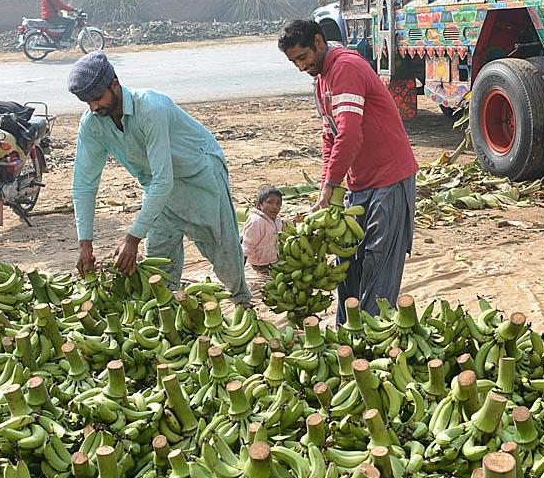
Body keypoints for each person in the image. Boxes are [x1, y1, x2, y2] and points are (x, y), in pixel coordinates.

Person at [68, 51, 252, 305]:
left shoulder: (150, 107)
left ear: (115, 84)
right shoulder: (92, 123)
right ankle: (168, 311)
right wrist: (84, 243)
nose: (93, 107)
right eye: (87, 102)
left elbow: (164, 179)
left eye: (97, 98)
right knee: (158, 257)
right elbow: (84, 184)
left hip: (199, 175)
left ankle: (242, 300)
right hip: (156, 187)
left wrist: (132, 239)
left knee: (222, 251)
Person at [277, 18, 419, 322]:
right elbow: (330, 137)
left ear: (318, 42)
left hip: (389, 177)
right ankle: (346, 330)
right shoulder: (320, 80)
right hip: (358, 183)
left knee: (378, 263)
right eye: (294, 62)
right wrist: (327, 189)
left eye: (302, 57)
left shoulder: (345, 68)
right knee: (347, 264)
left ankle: (371, 336)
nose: (301, 67)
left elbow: (350, 134)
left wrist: (332, 184)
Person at [242, 186, 284, 276]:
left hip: (274, 260)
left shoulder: (278, 219)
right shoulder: (256, 221)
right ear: (258, 204)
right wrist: (240, 270)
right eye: (270, 202)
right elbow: (247, 246)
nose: (274, 207)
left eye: (278, 203)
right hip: (260, 264)